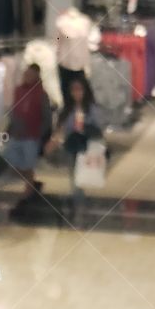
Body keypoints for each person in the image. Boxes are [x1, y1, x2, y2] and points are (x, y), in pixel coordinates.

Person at [49, 78, 102, 213]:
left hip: (86, 145)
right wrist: (54, 141)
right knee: (74, 174)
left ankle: (79, 201)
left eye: (79, 90)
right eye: (74, 90)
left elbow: (98, 128)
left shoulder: (91, 108)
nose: (76, 93)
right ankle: (78, 200)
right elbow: (61, 127)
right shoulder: (67, 109)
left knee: (81, 175)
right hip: (71, 145)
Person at [5, 63, 50, 210]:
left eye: (30, 75)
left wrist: (40, 134)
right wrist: (9, 129)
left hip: (31, 136)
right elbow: (14, 110)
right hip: (16, 134)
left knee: (29, 165)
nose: (27, 77)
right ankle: (32, 183)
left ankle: (28, 191)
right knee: (13, 162)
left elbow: (46, 118)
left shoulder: (41, 95)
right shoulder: (18, 90)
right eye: (26, 74)